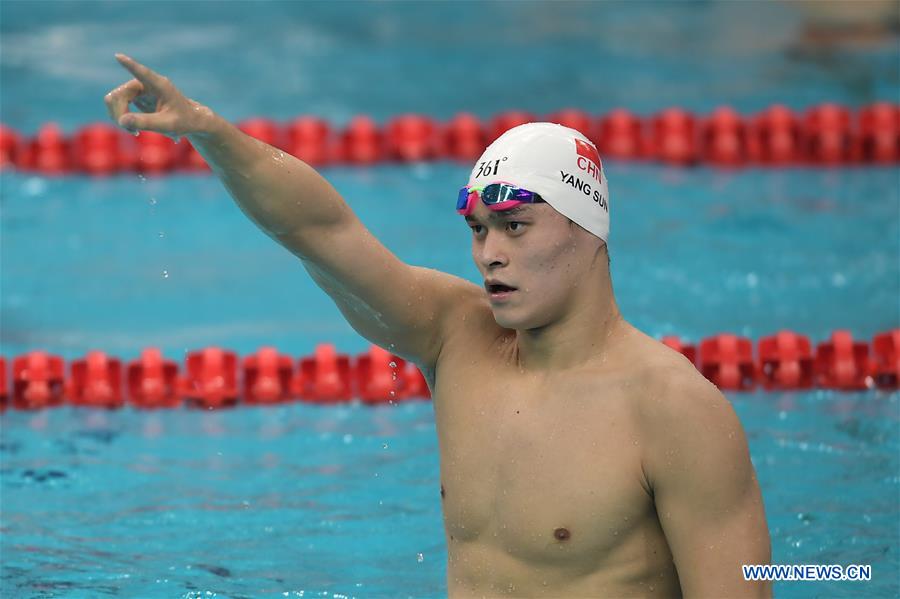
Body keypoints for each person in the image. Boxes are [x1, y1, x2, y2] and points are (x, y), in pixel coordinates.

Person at [105, 54, 771, 598]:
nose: (490, 253)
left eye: (515, 226)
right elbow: (319, 231)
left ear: (587, 230)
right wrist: (211, 134)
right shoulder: (457, 336)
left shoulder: (673, 409)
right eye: (479, 230)